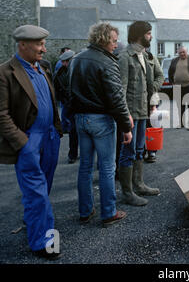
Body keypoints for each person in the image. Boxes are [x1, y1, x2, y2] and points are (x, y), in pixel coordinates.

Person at [0, 25, 62, 260]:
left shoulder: (43, 68)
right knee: (37, 194)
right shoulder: (3, 72)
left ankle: (33, 221)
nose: (44, 48)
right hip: (29, 140)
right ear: (23, 45)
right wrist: (24, 143)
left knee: (44, 189)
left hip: (50, 138)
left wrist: (58, 129)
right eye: (39, 44)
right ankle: (44, 243)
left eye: (43, 44)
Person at [69, 22, 133, 227]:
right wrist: (126, 127)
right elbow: (116, 99)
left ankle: (85, 211)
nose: (116, 44)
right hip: (100, 120)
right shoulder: (106, 62)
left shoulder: (76, 58)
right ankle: (108, 213)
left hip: (80, 119)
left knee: (85, 167)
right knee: (106, 167)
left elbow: (67, 92)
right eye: (114, 41)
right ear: (104, 39)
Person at [117, 21, 163, 206]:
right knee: (127, 152)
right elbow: (121, 89)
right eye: (149, 33)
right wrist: (125, 115)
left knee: (139, 150)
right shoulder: (125, 57)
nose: (151, 37)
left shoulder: (146, 56)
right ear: (139, 35)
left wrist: (153, 100)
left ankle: (139, 184)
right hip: (131, 113)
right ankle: (127, 193)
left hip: (143, 111)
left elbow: (153, 81)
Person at [168, 46, 189, 129]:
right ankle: (181, 123)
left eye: (183, 52)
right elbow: (170, 72)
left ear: (187, 52)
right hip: (177, 86)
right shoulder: (174, 60)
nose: (182, 54)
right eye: (180, 52)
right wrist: (172, 82)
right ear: (178, 53)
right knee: (180, 106)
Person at [54, 50, 78, 164]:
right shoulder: (60, 74)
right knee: (74, 131)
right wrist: (66, 102)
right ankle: (73, 154)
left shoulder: (61, 73)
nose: (64, 64)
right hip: (72, 106)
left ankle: (75, 154)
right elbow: (58, 91)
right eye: (63, 61)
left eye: (66, 61)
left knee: (78, 132)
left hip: (76, 106)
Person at [145, 48, 164, 162]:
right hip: (135, 100)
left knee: (152, 125)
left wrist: (153, 87)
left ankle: (152, 152)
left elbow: (160, 76)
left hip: (152, 98)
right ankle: (140, 151)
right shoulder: (129, 57)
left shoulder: (152, 58)